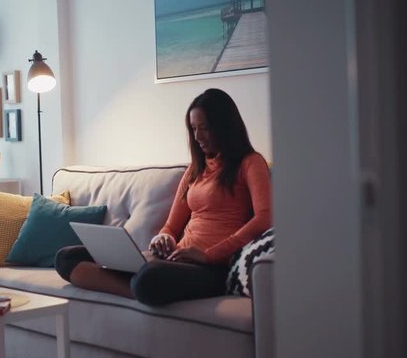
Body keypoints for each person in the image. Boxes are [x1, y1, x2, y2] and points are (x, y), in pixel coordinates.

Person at [55, 88, 272, 305]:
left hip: (212, 268)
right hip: (176, 259)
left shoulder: (250, 163)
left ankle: (139, 287)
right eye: (193, 129)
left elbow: (265, 218)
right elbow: (170, 226)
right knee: (67, 257)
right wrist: (164, 238)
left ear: (224, 126)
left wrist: (208, 255)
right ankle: (137, 291)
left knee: (149, 276)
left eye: (204, 128)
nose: (197, 137)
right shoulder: (195, 169)